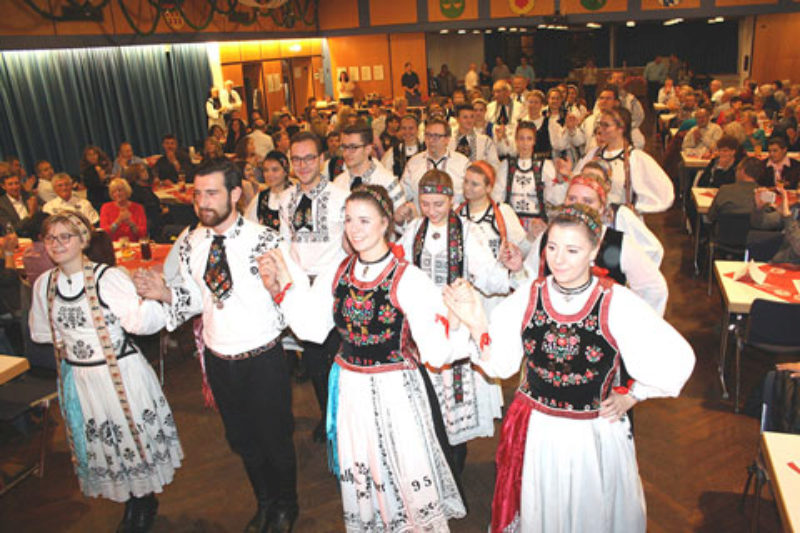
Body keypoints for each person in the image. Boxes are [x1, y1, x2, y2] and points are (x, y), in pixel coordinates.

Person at [442, 204, 694, 533]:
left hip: (593, 434)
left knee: (590, 514)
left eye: (572, 250)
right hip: (540, 433)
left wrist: (633, 395)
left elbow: (677, 357)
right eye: (552, 247)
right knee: (543, 510)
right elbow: (502, 365)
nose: (559, 259)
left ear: (593, 252)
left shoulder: (615, 301)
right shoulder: (529, 296)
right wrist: (476, 323)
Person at [259, 185, 467, 531]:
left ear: (386, 223)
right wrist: (280, 290)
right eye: (348, 220)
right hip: (352, 389)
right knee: (365, 467)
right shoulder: (337, 273)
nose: (354, 229)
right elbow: (311, 328)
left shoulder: (408, 278)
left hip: (396, 391)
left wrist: (460, 323)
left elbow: (435, 349)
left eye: (364, 220)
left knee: (404, 468)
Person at [133, 159, 300, 532]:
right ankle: (265, 502)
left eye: (211, 193)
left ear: (236, 194)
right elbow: (196, 297)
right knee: (242, 439)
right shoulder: (193, 241)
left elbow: (291, 296)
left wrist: (280, 288)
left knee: (274, 439)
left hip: (262, 357)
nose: (201, 201)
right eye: (196, 193)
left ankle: (287, 506)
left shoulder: (265, 239)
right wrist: (164, 293)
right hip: (219, 359)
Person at [29, 211, 183, 532]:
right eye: (51, 238)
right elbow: (41, 333)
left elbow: (142, 323)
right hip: (83, 379)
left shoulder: (107, 278)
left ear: (83, 240)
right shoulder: (45, 284)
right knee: (109, 445)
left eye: (65, 236)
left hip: (119, 375)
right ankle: (131, 501)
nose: (57, 244)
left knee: (131, 439)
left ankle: (143, 503)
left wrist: (155, 298)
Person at [398, 169, 512, 477]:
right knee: (428, 399)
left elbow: (487, 275)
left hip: (457, 322)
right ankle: (433, 458)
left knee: (454, 401)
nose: (432, 211)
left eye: (438, 204)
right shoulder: (413, 230)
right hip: (423, 322)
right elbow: (403, 269)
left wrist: (510, 273)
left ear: (451, 199)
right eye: (425, 203)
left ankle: (455, 461)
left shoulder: (468, 232)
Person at [279, 132, 348, 443]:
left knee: (339, 358)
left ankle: (346, 416)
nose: (303, 165)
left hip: (332, 287)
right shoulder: (285, 199)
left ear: (322, 159)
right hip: (302, 290)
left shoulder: (340, 196)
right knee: (315, 360)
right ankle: (327, 416)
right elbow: (285, 243)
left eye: (309, 158)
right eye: (296, 159)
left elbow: (350, 244)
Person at [526, 170, 668, 314]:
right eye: (572, 198)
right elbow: (527, 280)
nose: (578, 205)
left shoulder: (619, 243)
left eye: (588, 201)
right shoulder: (548, 237)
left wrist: (632, 324)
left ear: (601, 208)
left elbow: (654, 289)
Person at [574, 107, 674, 214]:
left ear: (621, 128)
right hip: (594, 219)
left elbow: (664, 192)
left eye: (606, 125)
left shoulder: (635, 158)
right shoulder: (594, 154)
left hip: (619, 223)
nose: (601, 129)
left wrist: (637, 208)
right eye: (600, 124)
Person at [494, 121, 568, 229]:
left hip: (537, 223)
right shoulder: (506, 165)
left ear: (534, 141)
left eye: (529, 139)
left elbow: (556, 199)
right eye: (521, 138)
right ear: (516, 140)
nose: (525, 143)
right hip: (511, 222)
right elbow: (497, 197)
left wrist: (560, 179)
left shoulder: (545, 165)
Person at [457, 160, 529, 267]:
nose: (467, 187)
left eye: (474, 184)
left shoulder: (503, 212)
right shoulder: (456, 213)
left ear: (489, 188)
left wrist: (531, 238)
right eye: (466, 181)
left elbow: (523, 249)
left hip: (496, 280)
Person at [399, 117, 469, 222]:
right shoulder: (414, 163)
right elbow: (403, 194)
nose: (431, 140)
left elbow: (470, 197)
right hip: (422, 224)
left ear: (447, 139)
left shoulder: (462, 163)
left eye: (436, 136)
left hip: (455, 223)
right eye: (428, 135)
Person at [333, 125, 406, 208]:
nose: (346, 153)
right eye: (344, 147)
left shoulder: (388, 182)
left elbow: (401, 217)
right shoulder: (338, 182)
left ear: (368, 149)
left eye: (353, 147)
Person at [707, 156, 761, 223]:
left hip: (724, 231)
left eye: (737, 169)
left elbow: (711, 216)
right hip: (752, 232)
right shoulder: (762, 195)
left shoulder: (725, 190)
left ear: (742, 171)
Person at [449, 103, 501, 173]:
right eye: (465, 117)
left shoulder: (485, 141)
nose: (469, 120)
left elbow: (495, 164)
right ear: (457, 119)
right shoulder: (449, 140)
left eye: (472, 117)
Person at [123, 163, 167, 242]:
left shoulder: (145, 188)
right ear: (135, 174)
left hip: (154, 221)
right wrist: (162, 210)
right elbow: (150, 209)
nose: (146, 172)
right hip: (151, 225)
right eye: (142, 171)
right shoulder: (137, 192)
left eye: (145, 170)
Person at [100, 178, 147, 242]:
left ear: (127, 191)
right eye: (114, 192)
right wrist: (118, 221)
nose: (117, 194)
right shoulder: (106, 207)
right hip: (114, 245)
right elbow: (104, 233)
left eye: (120, 190)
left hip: (133, 244)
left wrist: (130, 223)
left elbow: (143, 233)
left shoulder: (138, 208)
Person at [381, 114, 424, 180]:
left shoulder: (426, 150)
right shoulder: (393, 152)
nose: (407, 132)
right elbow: (385, 175)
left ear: (417, 130)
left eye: (411, 128)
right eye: (404, 128)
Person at [80, 145, 113, 211]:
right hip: (96, 197)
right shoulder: (86, 171)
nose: (92, 157)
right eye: (89, 155)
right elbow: (91, 185)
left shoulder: (104, 165)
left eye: (94, 154)